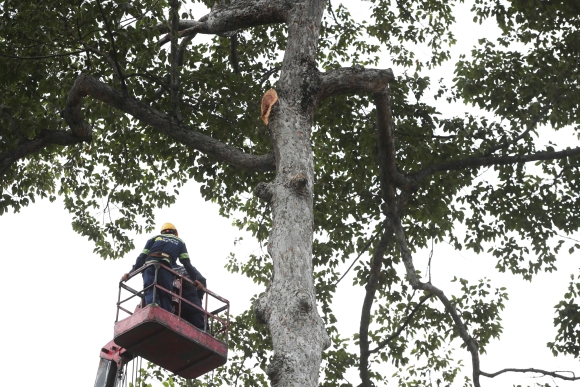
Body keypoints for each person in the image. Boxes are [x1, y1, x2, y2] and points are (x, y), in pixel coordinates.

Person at [121, 222, 202, 313]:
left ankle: (152, 307)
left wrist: (131, 273)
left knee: (150, 287)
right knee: (166, 292)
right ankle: (167, 313)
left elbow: (141, 258)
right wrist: (194, 279)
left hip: (149, 265)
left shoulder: (154, 238)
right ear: (175, 233)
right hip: (165, 268)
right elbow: (186, 263)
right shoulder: (180, 241)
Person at [173, 263, 206, 330]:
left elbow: (202, 281)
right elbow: (202, 281)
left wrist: (198, 297)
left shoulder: (187, 268)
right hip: (186, 306)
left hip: (190, 304)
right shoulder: (186, 268)